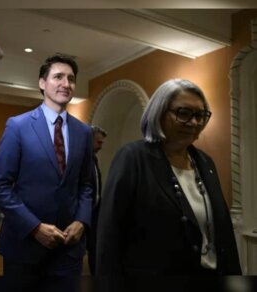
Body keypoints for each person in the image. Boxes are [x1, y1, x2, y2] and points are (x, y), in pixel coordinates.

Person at [96, 79, 241, 289]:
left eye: (200, 115)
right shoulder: (133, 158)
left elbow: (223, 232)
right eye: (184, 113)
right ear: (159, 113)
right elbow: (110, 237)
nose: (194, 122)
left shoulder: (205, 162)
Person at [0, 54, 93, 292]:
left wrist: (82, 221)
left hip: (69, 249)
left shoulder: (84, 132)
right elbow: (0, 185)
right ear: (42, 83)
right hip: (24, 246)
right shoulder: (18, 126)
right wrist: (35, 228)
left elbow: (86, 184)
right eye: (58, 77)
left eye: (71, 78)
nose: (66, 84)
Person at [86, 125, 107, 275]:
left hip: (94, 213)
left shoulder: (95, 159)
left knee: (94, 249)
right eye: (98, 142)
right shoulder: (79, 159)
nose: (101, 146)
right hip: (82, 214)